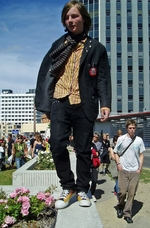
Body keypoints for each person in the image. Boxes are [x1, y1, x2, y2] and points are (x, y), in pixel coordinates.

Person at [35, 0, 111, 209]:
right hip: (60, 102)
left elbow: (102, 77)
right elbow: (46, 74)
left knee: (83, 149)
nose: (70, 20)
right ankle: (67, 186)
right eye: (67, 17)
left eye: (74, 16)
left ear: (84, 19)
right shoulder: (58, 45)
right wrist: (44, 106)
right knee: (57, 144)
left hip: (84, 102)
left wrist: (105, 103)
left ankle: (82, 189)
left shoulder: (96, 48)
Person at [114, 119, 145, 224]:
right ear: (126, 128)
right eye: (130, 128)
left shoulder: (139, 140)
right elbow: (116, 153)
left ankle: (127, 214)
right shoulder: (121, 139)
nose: (132, 130)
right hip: (123, 169)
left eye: (134, 128)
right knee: (122, 192)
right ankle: (120, 206)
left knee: (131, 193)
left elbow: (141, 155)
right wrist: (118, 164)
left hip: (135, 170)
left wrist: (139, 168)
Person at [90, 133, 102, 202]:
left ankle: (92, 193)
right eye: (93, 136)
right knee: (87, 179)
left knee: (94, 180)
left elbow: (97, 153)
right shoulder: (88, 143)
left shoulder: (95, 144)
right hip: (87, 164)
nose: (94, 138)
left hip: (94, 164)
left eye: (96, 137)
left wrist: (93, 153)